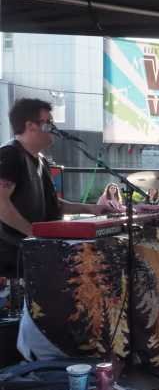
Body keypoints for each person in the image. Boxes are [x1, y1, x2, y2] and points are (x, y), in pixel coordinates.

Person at [0, 99, 114, 277]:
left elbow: (53, 204)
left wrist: (91, 208)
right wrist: (35, 233)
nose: (54, 128)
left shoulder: (41, 161)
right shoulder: (10, 154)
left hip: (35, 251)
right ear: (30, 126)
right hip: (13, 259)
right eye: (49, 123)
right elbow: (1, 204)